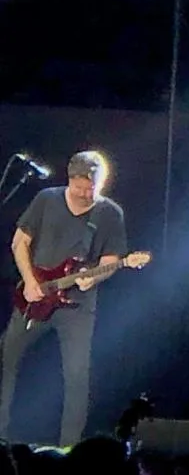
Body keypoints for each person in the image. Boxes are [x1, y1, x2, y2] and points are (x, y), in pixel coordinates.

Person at [0, 151, 127, 447]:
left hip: (77, 308)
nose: (84, 194)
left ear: (102, 182)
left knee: (76, 375)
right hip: (34, 297)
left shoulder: (109, 213)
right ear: (69, 179)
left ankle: (69, 447)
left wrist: (93, 278)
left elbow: (110, 261)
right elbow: (20, 242)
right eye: (78, 187)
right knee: (6, 358)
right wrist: (30, 281)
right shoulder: (47, 199)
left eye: (90, 188)